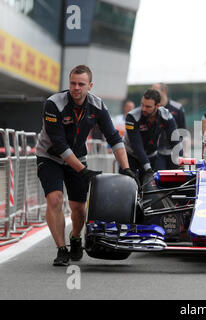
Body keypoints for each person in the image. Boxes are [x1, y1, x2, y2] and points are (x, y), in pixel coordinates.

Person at [36, 65, 137, 266]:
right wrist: (84, 172)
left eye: (81, 84)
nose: (76, 88)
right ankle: (61, 249)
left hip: (78, 157)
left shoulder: (98, 106)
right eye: (73, 83)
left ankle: (75, 237)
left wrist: (126, 169)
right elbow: (59, 144)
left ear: (90, 86)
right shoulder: (53, 103)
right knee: (54, 199)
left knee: (79, 207)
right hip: (50, 156)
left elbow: (114, 138)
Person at [123, 88, 180, 180]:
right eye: (142, 105)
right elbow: (137, 145)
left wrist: (179, 161)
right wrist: (147, 168)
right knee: (129, 184)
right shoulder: (132, 116)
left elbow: (175, 140)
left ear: (157, 106)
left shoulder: (166, 115)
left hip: (151, 154)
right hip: (130, 155)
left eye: (148, 106)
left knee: (152, 186)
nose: (143, 109)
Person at [152, 83, 186, 168]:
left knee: (176, 178)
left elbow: (183, 131)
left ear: (163, 91)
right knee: (159, 178)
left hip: (175, 151)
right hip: (157, 152)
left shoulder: (177, 108)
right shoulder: (152, 108)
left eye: (155, 90)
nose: (152, 93)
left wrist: (184, 152)